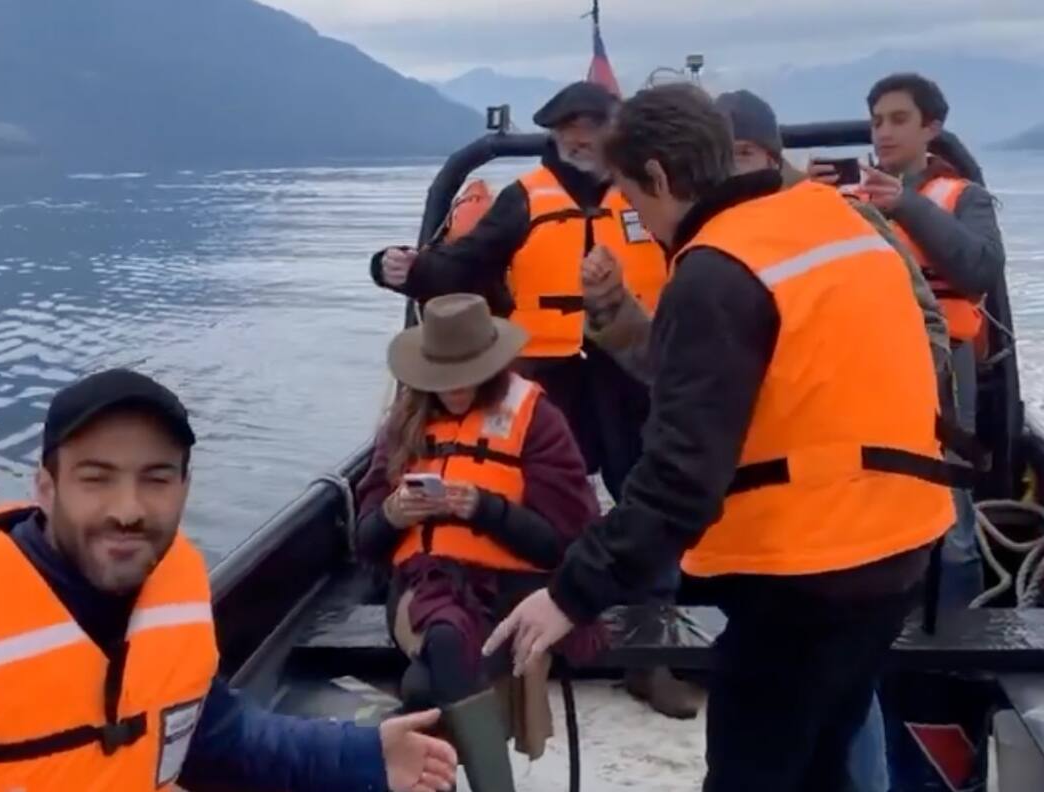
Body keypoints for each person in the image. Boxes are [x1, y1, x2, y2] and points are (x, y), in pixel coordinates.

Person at [484, 83, 963, 792]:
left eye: (632, 199)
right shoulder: (837, 216)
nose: (638, 220)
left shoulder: (715, 270)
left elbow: (678, 475)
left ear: (657, 177)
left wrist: (568, 596)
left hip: (805, 574)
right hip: (902, 546)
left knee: (751, 771)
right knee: (824, 760)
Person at [0, 368, 458, 792]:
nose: (128, 508)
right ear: (45, 487)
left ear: (184, 489)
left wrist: (367, 757)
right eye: (97, 477)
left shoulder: (171, 587)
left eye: (156, 478)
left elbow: (218, 740)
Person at [371, 81, 667, 504]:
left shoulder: (650, 190)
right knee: (548, 484)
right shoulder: (524, 198)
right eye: (569, 127)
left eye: (593, 125)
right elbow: (461, 265)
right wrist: (399, 269)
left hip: (634, 367)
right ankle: (555, 556)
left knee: (641, 481)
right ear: (554, 134)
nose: (581, 137)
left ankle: (648, 561)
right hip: (546, 371)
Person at [354, 293, 601, 791]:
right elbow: (367, 542)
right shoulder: (404, 421)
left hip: (513, 587)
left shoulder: (538, 420)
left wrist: (483, 509)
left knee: (424, 686)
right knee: (445, 636)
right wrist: (393, 513)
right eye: (444, 378)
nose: (456, 389)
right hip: (422, 587)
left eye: (467, 374)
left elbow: (561, 545)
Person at [864, 72, 1006, 610]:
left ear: (932, 128)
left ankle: (959, 654)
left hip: (944, 370)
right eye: (877, 121)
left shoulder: (963, 197)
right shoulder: (848, 200)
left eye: (898, 119)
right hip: (868, 371)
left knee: (953, 515)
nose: (884, 132)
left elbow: (977, 270)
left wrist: (904, 204)